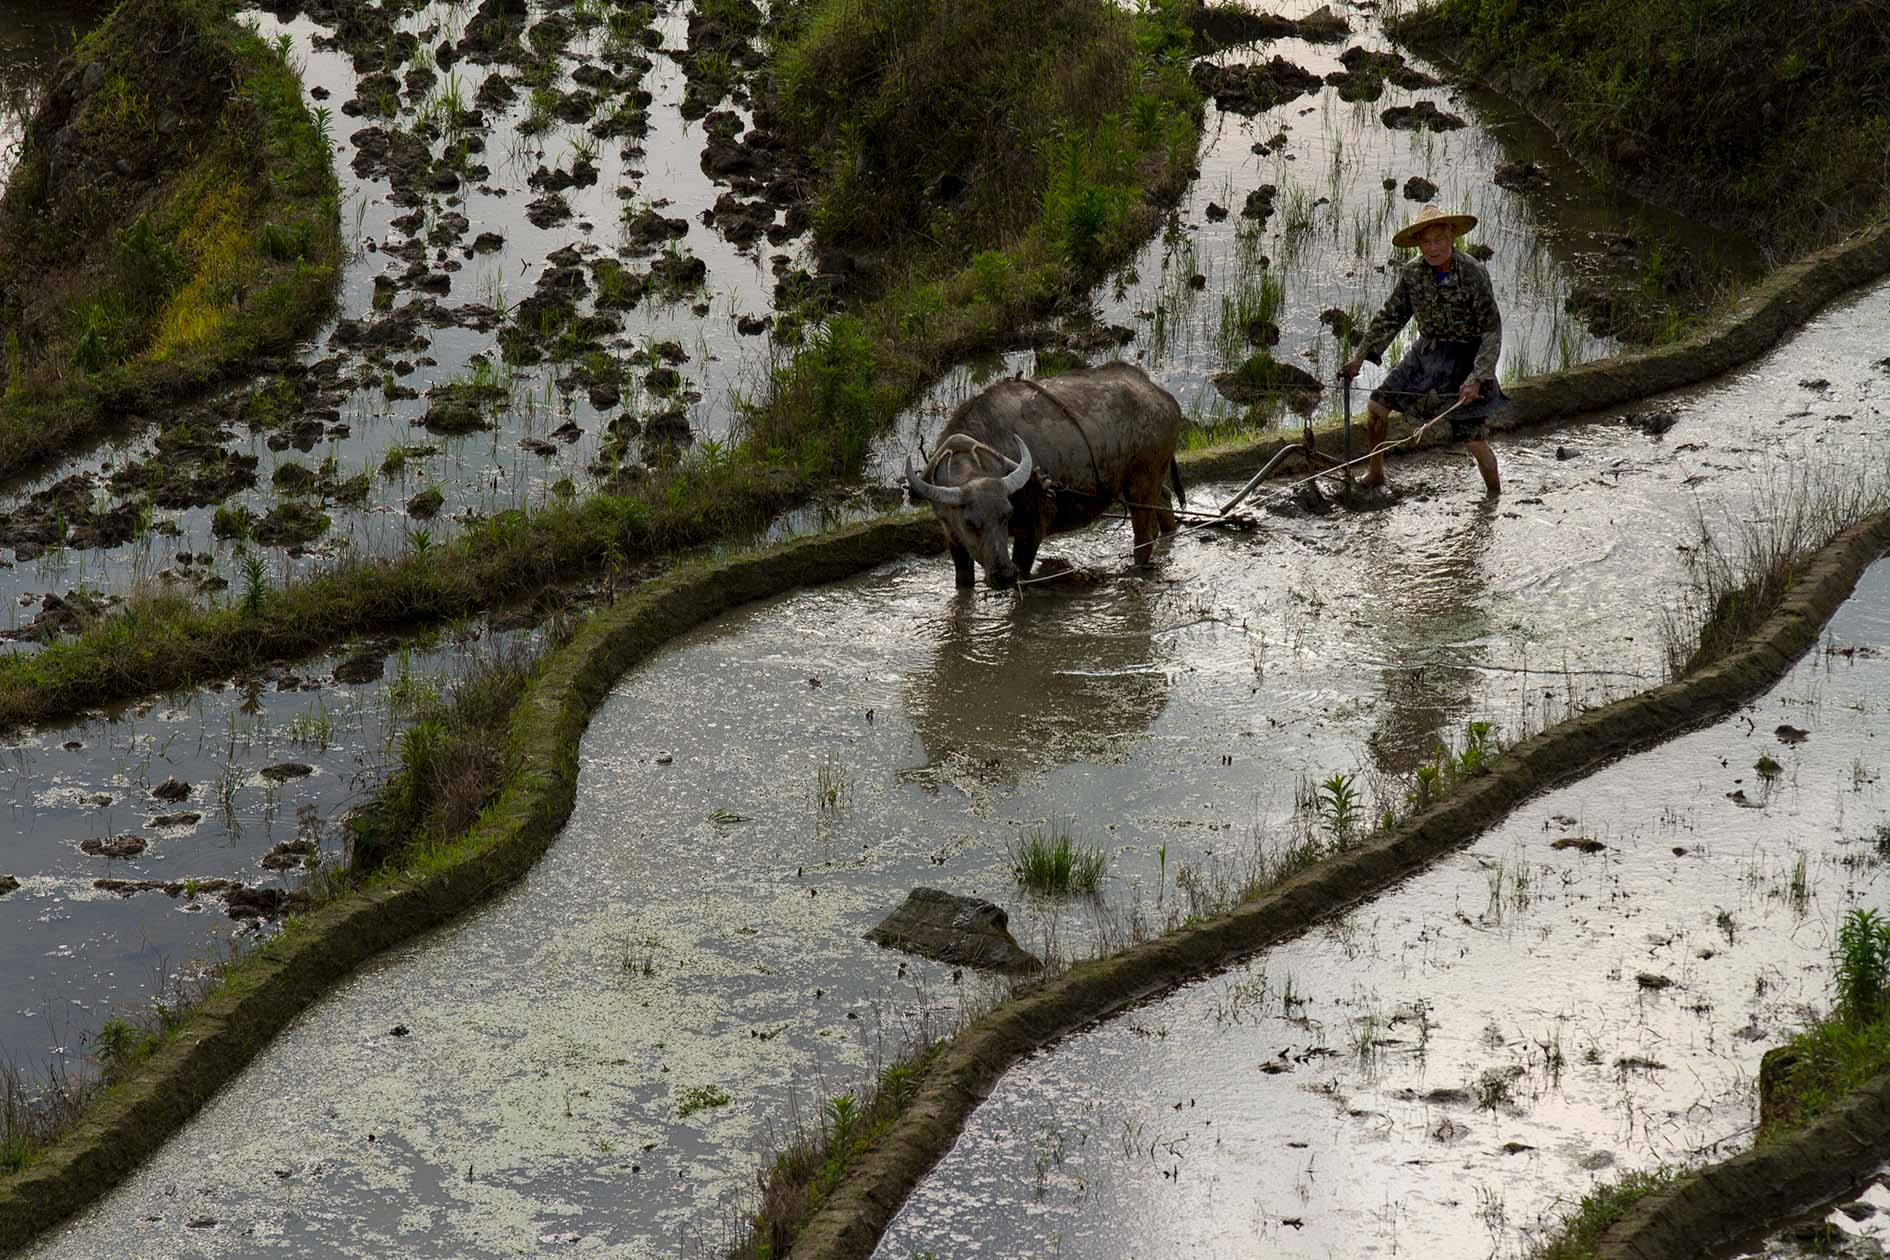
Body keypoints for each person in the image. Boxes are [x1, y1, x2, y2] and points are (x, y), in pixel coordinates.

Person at [1340, 204, 1503, 495]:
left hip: (1465, 357)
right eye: (1426, 242)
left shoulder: (1472, 273)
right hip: (1426, 353)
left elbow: (1491, 329)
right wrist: (1359, 357)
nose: (1433, 248)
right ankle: (1376, 473)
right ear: (1418, 244)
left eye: (1438, 240)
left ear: (1451, 237)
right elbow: (1391, 315)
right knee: (1377, 407)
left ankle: (1494, 497)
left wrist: (1478, 377)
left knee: (1473, 439)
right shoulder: (1412, 273)